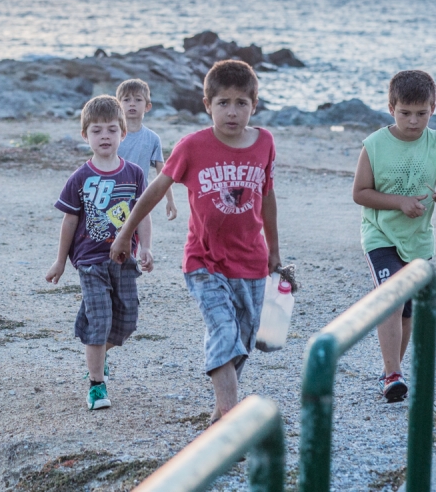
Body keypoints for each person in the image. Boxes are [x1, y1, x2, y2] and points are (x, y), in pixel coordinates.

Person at [110, 60, 282, 421]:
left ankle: (220, 414)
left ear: (254, 105)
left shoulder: (265, 142)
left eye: (241, 103)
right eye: (223, 103)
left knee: (243, 341)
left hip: (251, 261)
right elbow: (155, 190)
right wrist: (126, 234)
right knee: (223, 330)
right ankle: (230, 419)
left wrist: (275, 253)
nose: (232, 112)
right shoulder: (192, 146)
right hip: (204, 261)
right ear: (207, 105)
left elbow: (267, 196)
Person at [351, 70, 436, 402]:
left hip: (418, 239)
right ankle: (392, 374)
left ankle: (392, 370)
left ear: (433, 109)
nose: (413, 121)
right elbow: (360, 193)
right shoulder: (374, 145)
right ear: (391, 108)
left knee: (407, 312)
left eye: (421, 113)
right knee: (391, 297)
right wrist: (399, 202)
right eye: (405, 113)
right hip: (380, 235)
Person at [45, 95, 154, 410]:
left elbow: (143, 214)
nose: (104, 136)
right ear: (85, 136)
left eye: (111, 129)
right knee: (100, 321)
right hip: (90, 261)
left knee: (127, 321)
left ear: (123, 133)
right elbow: (69, 221)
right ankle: (96, 384)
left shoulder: (134, 174)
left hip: (124, 261)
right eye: (96, 130)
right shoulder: (80, 178)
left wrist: (146, 246)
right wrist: (60, 262)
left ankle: (98, 351)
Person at [116, 78, 178, 221]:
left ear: (147, 107)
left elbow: (163, 172)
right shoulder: (113, 135)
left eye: (138, 100)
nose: (132, 103)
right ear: (118, 105)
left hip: (140, 198)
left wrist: (170, 200)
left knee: (140, 232)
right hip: (113, 194)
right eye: (126, 100)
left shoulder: (152, 138)